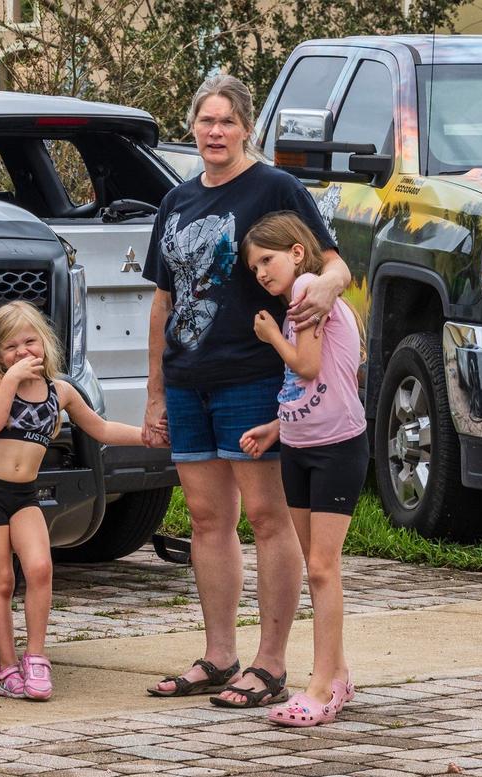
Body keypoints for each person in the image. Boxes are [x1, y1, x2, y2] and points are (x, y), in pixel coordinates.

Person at [143, 74, 351, 708]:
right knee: (208, 520)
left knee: (267, 518)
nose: (214, 132)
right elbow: (164, 297)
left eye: (226, 122)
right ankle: (219, 655)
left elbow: (333, 261)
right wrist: (155, 391)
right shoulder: (176, 201)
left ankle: (270, 662)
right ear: (193, 127)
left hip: (254, 377)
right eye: (205, 121)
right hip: (188, 379)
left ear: (246, 127)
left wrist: (326, 289)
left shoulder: (275, 188)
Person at [0, 300, 145, 701]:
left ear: (45, 343)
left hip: (23, 495)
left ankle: (36, 657)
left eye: (30, 342)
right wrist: (10, 378)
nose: (22, 352)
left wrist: (148, 436)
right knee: (2, 580)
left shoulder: (60, 390)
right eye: (10, 347)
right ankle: (5, 668)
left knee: (41, 568)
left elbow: (100, 428)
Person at [238, 211, 368, 726]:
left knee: (321, 567)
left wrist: (271, 335)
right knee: (316, 567)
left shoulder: (309, 289)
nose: (262, 274)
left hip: (335, 447)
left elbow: (307, 365)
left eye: (266, 261)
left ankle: (319, 686)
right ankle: (337, 675)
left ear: (296, 252)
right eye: (253, 270)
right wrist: (277, 425)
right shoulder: (299, 302)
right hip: (298, 443)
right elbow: (313, 385)